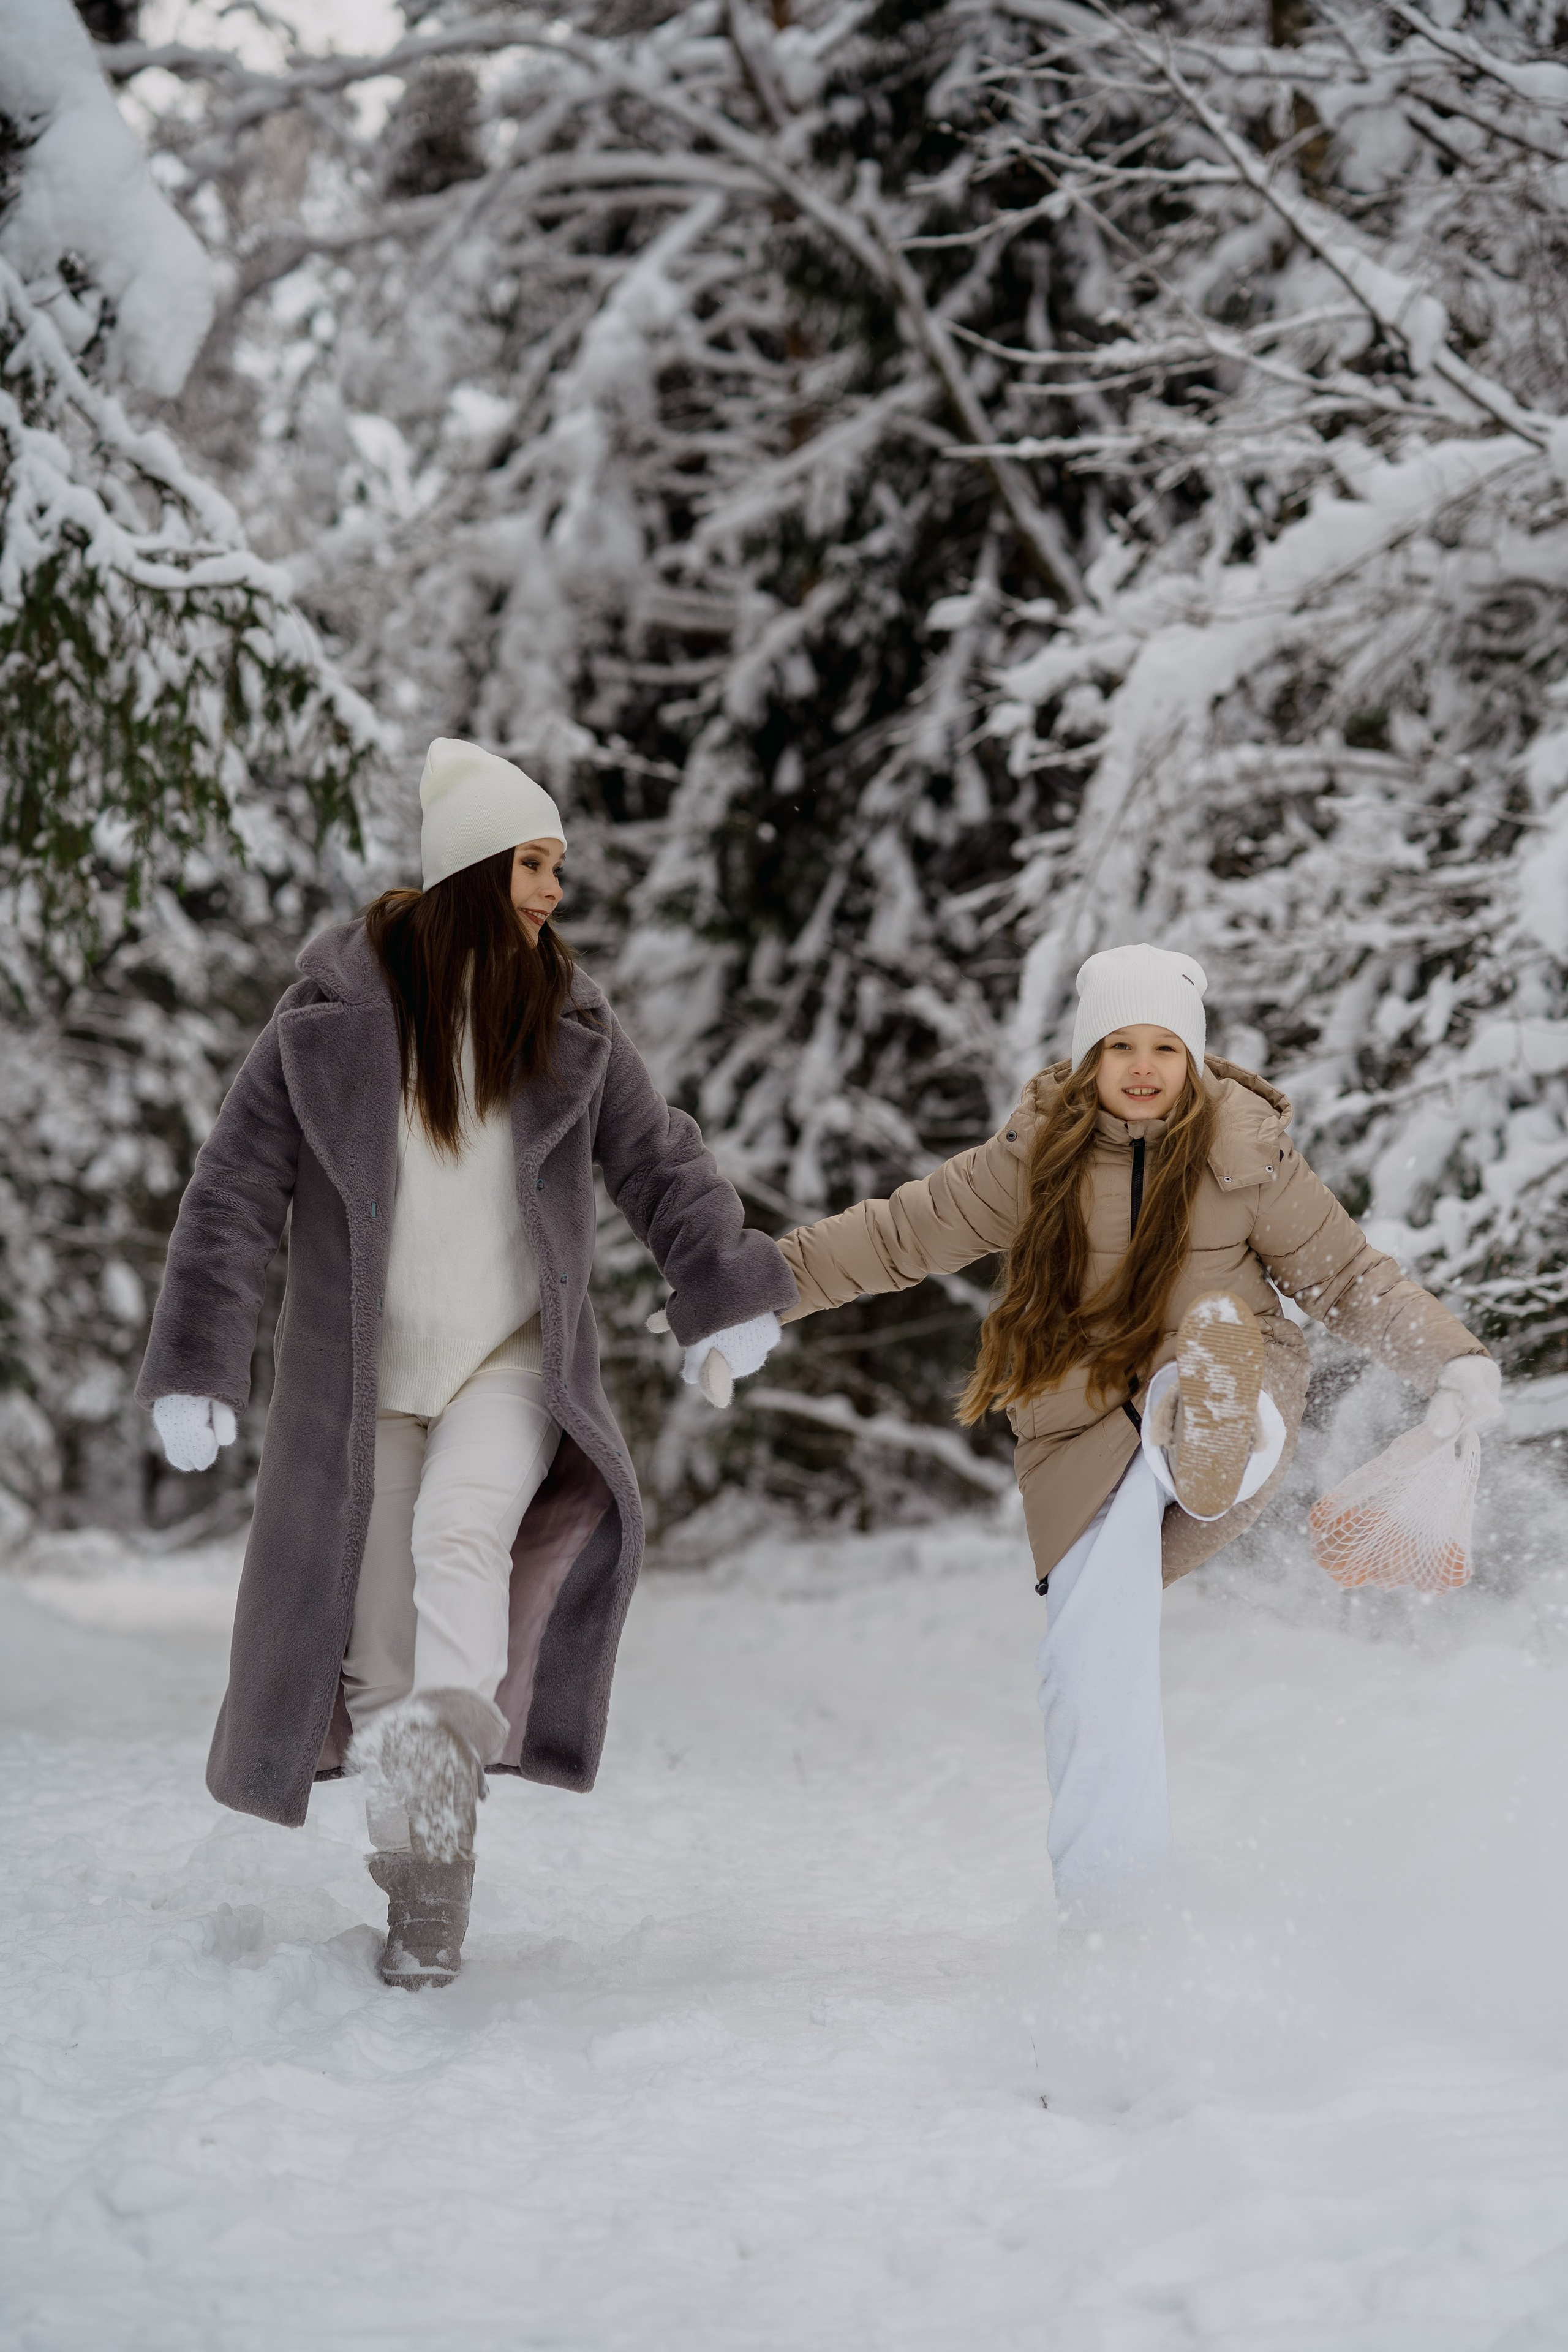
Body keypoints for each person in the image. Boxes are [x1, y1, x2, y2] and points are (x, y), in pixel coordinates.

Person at [138, 739, 794, 1986]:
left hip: (506, 1363)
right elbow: (229, 1195)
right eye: (535, 864)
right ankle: (415, 1874)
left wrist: (718, 1285)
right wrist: (197, 1365)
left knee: (462, 1541)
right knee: (378, 1645)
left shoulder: (568, 1023)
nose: (554, 891)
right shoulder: (323, 1031)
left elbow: (659, 1161)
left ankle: (445, 1833)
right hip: (363, 1384)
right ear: (472, 870)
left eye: (557, 866)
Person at [774, 943, 1501, 1924]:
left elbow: (1346, 1279)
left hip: (1238, 1384)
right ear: (1088, 1058)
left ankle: (1210, 1438)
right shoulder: (1033, 1157)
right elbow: (903, 1234)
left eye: (1165, 1046)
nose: (1145, 1067)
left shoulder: (1248, 1152)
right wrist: (757, 1290)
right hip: (1080, 1422)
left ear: (1195, 1058)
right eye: (1121, 1045)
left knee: (1217, 1396)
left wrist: (1449, 1360)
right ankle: (1115, 1923)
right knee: (1088, 1672)